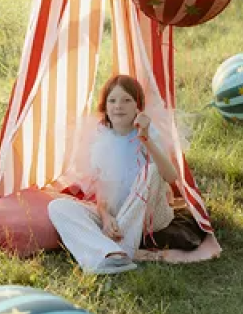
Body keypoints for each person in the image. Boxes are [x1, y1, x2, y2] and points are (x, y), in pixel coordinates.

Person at [48, 75, 179, 275]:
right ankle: (113, 252)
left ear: (138, 106)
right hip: (117, 215)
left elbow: (170, 176)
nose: (119, 106)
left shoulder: (148, 133)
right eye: (112, 100)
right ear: (105, 107)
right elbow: (103, 191)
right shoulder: (101, 138)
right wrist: (106, 216)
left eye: (126, 100)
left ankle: (119, 250)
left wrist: (145, 139)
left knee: (151, 170)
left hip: (149, 213)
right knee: (58, 206)